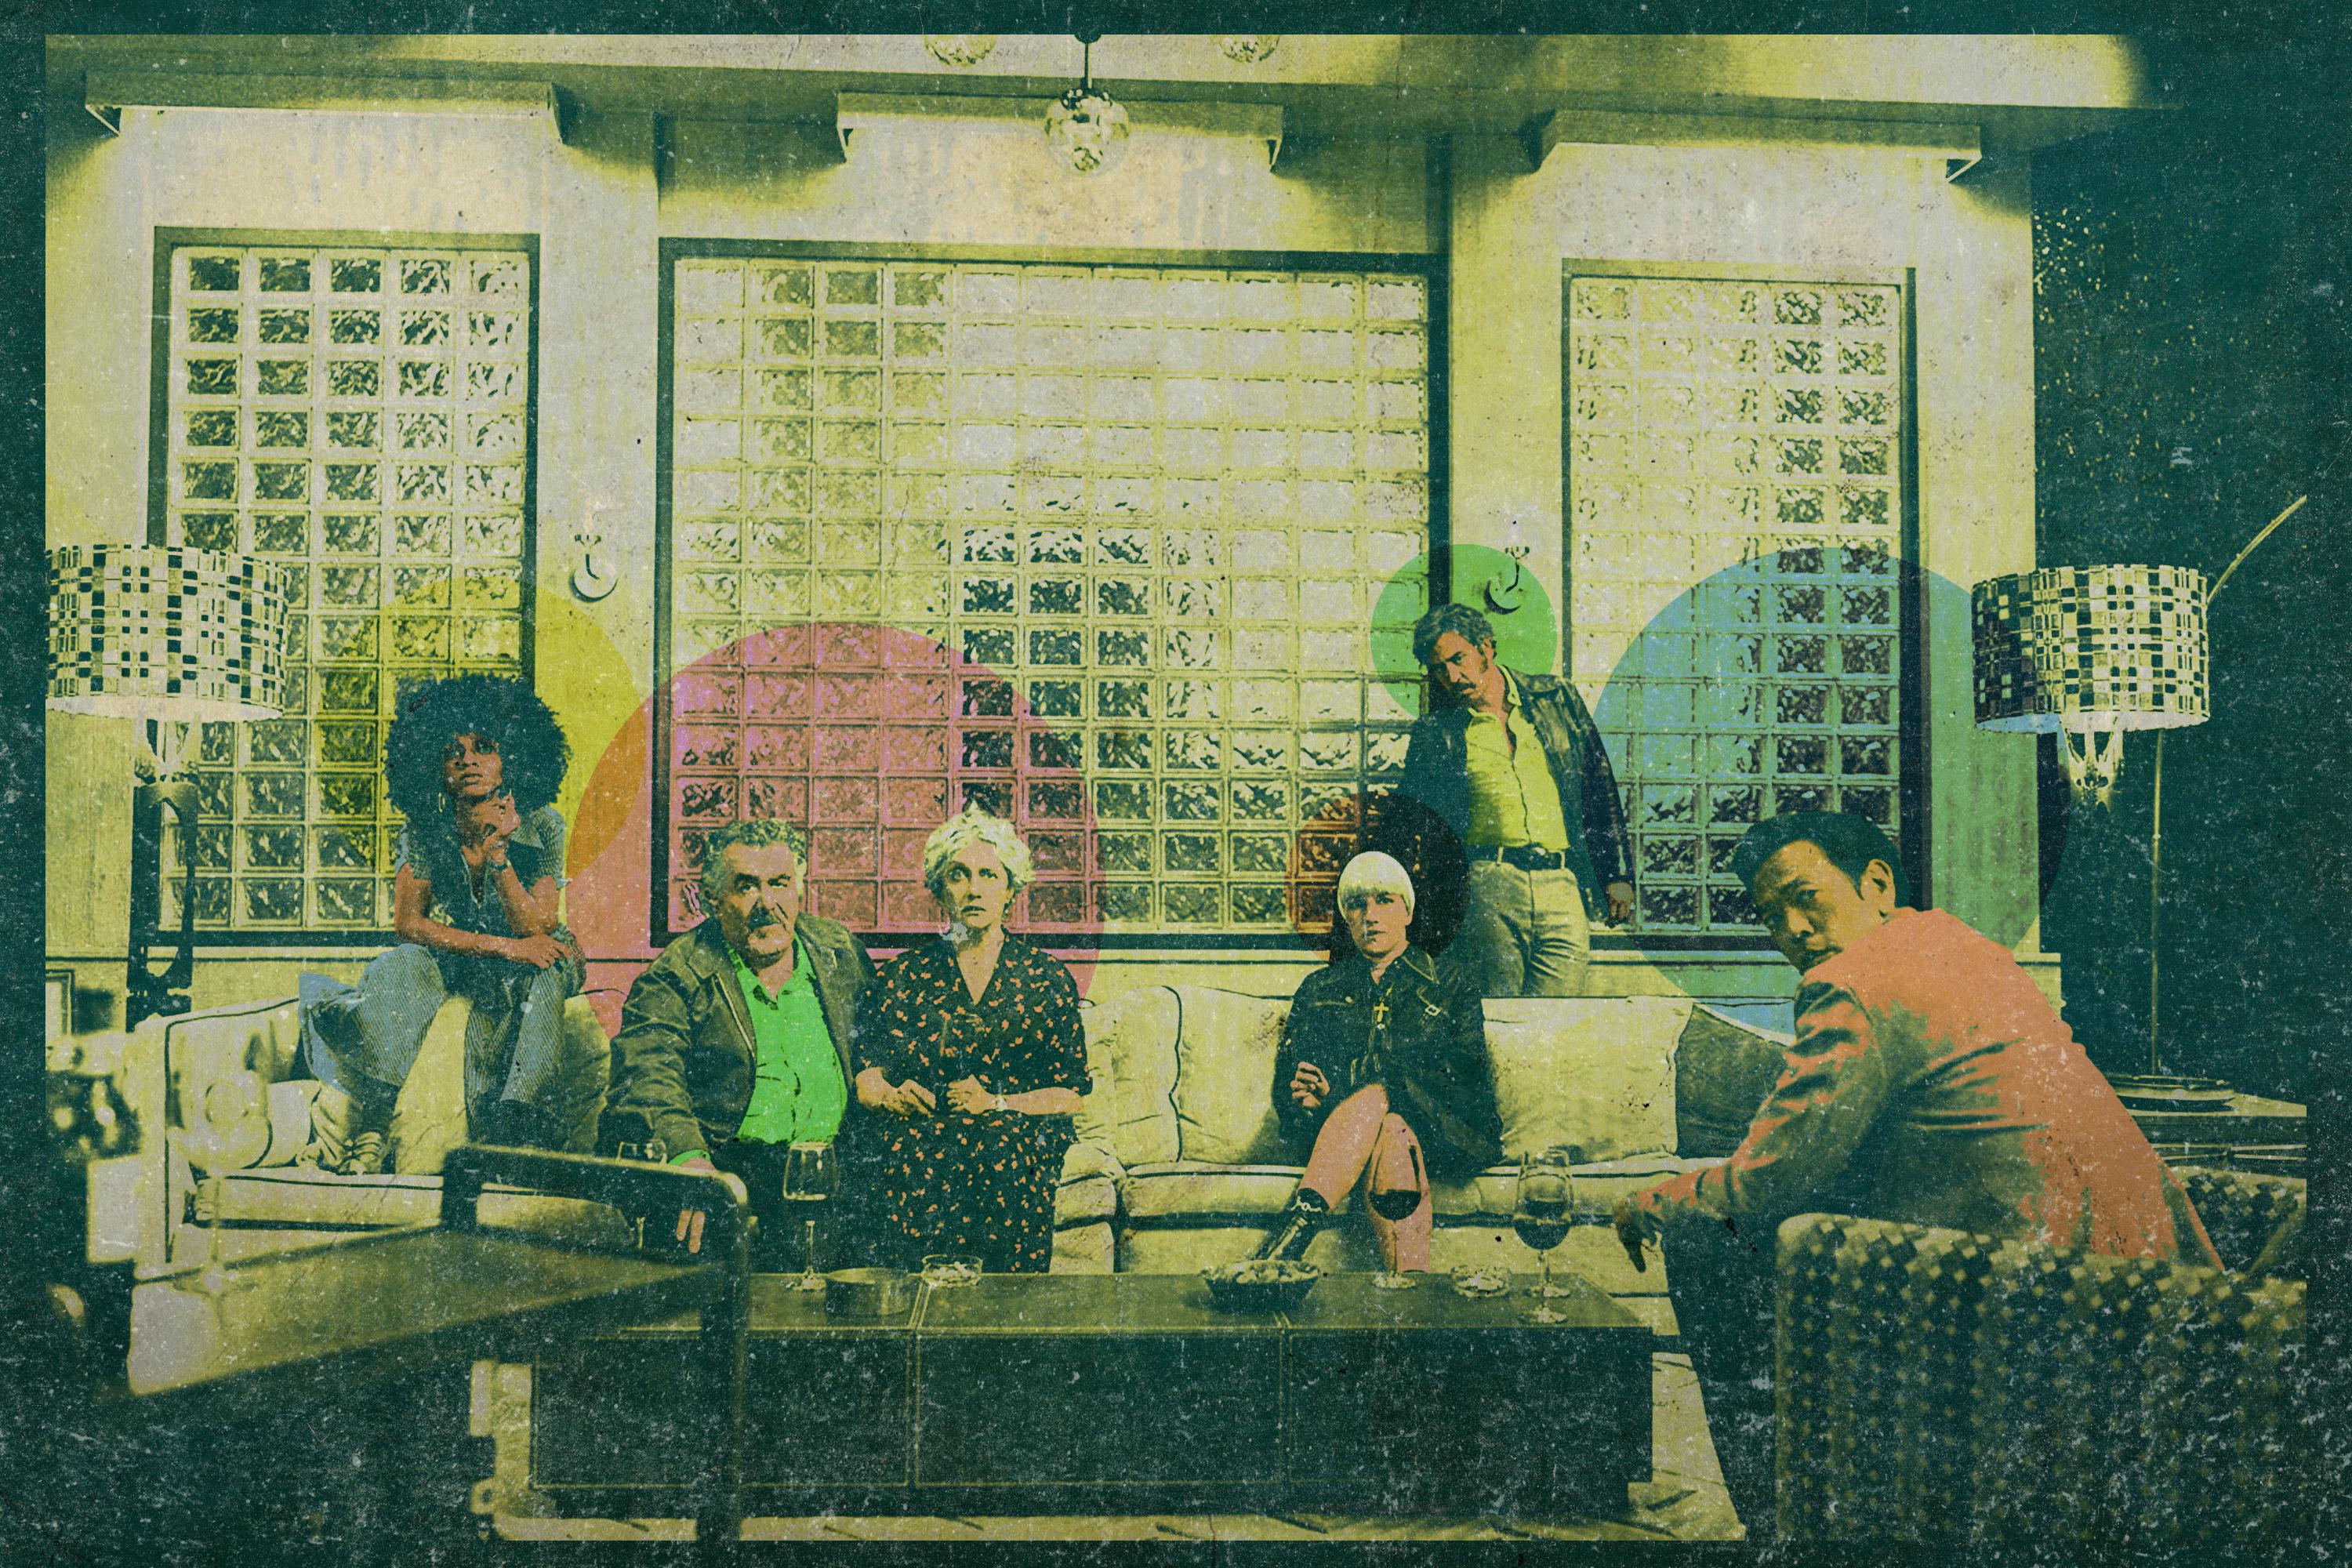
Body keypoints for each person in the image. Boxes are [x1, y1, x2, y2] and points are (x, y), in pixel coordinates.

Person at [1610, 811, 2220, 1536]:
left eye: (1806, 898)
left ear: (1875, 883)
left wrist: (1655, 1200)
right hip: (2163, 1278)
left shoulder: (1848, 985)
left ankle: (1789, 1532)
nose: (1794, 930)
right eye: (1773, 917)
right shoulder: (1962, 943)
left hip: (2033, 1296)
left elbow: (1768, 1180)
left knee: (1710, 1239)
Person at [301, 675, 593, 1168]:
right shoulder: (425, 831)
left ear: (512, 758)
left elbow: (538, 926)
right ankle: (374, 1115)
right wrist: (503, 949)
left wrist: (499, 855)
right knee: (403, 964)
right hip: (479, 956)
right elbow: (408, 924)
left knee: (546, 967)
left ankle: (518, 1121)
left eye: (484, 747)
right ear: (434, 766)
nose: (467, 760)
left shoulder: (543, 822)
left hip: (537, 949)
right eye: (452, 751)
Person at [607, 818, 877, 1266]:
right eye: (747, 886)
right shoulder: (676, 975)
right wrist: (690, 1162)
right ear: (712, 899)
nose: (767, 903)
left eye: (780, 883)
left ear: (799, 889)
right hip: (732, 1176)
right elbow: (647, 1075)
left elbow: (881, 1042)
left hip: (839, 1172)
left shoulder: (839, 952)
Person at [855, 808, 1090, 1274]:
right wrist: (891, 1096)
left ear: (1011, 889)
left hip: (1013, 1136)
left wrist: (997, 1104)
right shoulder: (903, 975)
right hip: (922, 1135)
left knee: (999, 1144)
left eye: (988, 875)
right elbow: (868, 1078)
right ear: (940, 889)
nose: (973, 889)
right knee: (907, 1152)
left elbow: (1070, 1096)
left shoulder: (1045, 978)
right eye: (958, 875)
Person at [1256, 852, 1503, 1271]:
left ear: (1407, 911)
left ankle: (1288, 1242)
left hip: (1445, 1131)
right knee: (1390, 1129)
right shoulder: (1319, 988)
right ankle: (1411, 1286)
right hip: (1344, 1139)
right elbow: (1289, 1087)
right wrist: (1308, 1102)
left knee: (1380, 1098)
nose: (1370, 915)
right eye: (1357, 905)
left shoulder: (1451, 982)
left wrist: (1357, 1089)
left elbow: (1466, 1076)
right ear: (1346, 918)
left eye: (1384, 901)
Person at [1395, 603, 1634, 999]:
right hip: (1488, 886)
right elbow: (1414, 823)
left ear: (1486, 648)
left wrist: (1617, 874)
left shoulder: (1556, 699)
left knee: (1559, 1020)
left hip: (1561, 883)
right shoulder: (1437, 732)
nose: (1451, 677)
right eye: (1439, 669)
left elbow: (1598, 787)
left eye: (1458, 659)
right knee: (1497, 1015)